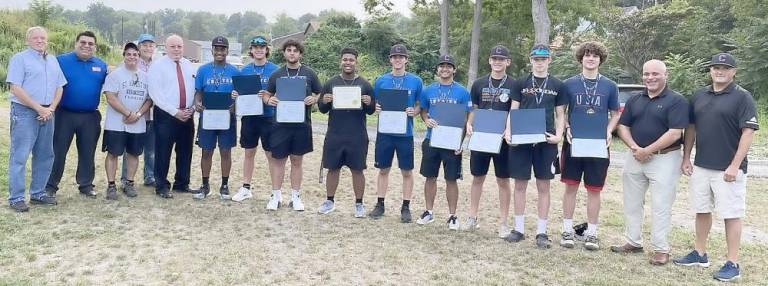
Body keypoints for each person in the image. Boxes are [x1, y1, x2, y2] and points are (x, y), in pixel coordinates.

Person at [673, 53, 759, 282]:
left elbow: (748, 133)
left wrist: (734, 165)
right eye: (715, 68)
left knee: (731, 215)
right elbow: (691, 128)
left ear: (733, 72)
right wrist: (686, 157)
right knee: (701, 210)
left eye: (725, 68)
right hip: (701, 166)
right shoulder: (699, 95)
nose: (719, 71)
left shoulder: (743, 97)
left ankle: (733, 263)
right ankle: (699, 254)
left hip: (728, 170)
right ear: (710, 70)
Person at [610, 59, 688, 265]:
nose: (650, 78)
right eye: (646, 74)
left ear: (666, 75)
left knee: (661, 205)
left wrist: (647, 150)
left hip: (665, 158)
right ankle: (633, 241)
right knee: (632, 203)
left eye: (655, 74)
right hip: (635, 157)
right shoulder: (635, 99)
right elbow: (622, 127)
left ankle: (661, 249)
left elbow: (675, 133)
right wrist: (636, 148)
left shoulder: (677, 101)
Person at [503, 44, 567, 248]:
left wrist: (559, 135)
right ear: (531, 60)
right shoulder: (520, 82)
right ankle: (519, 228)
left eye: (543, 59)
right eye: (536, 59)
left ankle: (541, 231)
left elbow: (560, 114)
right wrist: (508, 131)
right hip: (522, 140)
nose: (539, 63)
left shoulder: (558, 84)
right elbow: (514, 109)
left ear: (549, 60)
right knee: (520, 184)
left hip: (546, 140)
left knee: (543, 186)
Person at [560, 41, 620, 250]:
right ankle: (567, 230)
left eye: (595, 55)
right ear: (581, 58)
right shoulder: (568, 84)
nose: (591, 58)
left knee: (594, 189)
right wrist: (566, 127)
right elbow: (561, 112)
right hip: (574, 142)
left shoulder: (610, 86)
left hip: (598, 144)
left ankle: (592, 233)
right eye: (587, 55)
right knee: (571, 187)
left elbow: (615, 114)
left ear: (600, 59)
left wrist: (608, 130)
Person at [6, 26, 66, 211]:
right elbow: (15, 88)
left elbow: (60, 86)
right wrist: (38, 107)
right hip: (25, 112)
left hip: (48, 112)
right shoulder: (20, 59)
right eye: (36, 38)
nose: (40, 41)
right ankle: (16, 198)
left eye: (43, 38)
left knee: (45, 154)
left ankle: (38, 193)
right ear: (28, 40)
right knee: (20, 155)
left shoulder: (53, 60)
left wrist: (51, 108)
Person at [45, 31, 108, 198]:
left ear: (95, 47)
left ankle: (86, 185)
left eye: (90, 43)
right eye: (83, 42)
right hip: (64, 114)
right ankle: (50, 185)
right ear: (76, 43)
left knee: (88, 152)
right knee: (57, 151)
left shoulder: (101, 66)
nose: (86, 45)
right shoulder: (61, 61)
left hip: (89, 116)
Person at [263, 39, 322, 211]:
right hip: (280, 125)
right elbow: (267, 94)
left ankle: (295, 197)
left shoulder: (309, 73)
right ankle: (276, 195)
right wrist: (269, 99)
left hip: (301, 124)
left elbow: (319, 92)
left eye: (295, 50)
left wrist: (315, 99)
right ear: (284, 53)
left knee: (297, 161)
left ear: (300, 54)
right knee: (278, 160)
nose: (292, 53)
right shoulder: (277, 74)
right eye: (288, 50)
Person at [316, 47, 375, 217]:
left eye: (351, 60)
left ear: (356, 63)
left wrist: (369, 102)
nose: (348, 63)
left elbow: (371, 111)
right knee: (333, 168)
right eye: (345, 59)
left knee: (357, 170)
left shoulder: (364, 84)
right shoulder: (331, 82)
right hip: (335, 133)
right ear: (340, 61)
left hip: (357, 135)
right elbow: (321, 109)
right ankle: (329, 201)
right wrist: (325, 101)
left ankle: (359, 204)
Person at [415, 54, 472, 230]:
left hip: (452, 143)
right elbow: (424, 111)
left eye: (449, 66)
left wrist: (461, 143)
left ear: (454, 69)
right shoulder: (428, 90)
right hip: (432, 140)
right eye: (442, 66)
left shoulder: (462, 91)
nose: (445, 69)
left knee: (451, 179)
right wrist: (426, 120)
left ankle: (452, 216)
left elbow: (468, 115)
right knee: (430, 177)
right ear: (438, 69)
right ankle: (429, 212)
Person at [368, 44, 423, 222]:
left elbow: (419, 105)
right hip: (385, 132)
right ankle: (380, 204)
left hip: (405, 133)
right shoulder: (381, 80)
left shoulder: (416, 81)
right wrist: (375, 107)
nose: (398, 59)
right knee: (383, 169)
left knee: (406, 171)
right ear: (390, 59)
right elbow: (376, 102)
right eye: (394, 56)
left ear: (406, 59)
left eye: (401, 57)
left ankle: (405, 207)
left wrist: (414, 112)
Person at [464, 45, 515, 237]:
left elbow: (514, 111)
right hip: (481, 136)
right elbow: (474, 108)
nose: (497, 62)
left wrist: (509, 130)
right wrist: (469, 124)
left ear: (507, 62)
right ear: (489, 61)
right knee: (478, 178)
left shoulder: (514, 85)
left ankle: (503, 222)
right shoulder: (478, 83)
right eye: (494, 59)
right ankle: (472, 217)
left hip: (502, 139)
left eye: (501, 59)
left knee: (503, 180)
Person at [231, 35, 280, 202]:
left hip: (269, 117)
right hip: (250, 117)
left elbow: (280, 93)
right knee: (249, 152)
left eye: (262, 47)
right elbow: (239, 93)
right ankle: (246, 188)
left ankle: (275, 191)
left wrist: (268, 95)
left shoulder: (275, 69)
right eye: (255, 47)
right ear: (251, 50)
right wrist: (235, 94)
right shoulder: (244, 70)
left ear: (267, 49)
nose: (259, 50)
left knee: (271, 154)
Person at [101, 42, 153, 199]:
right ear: (124, 56)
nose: (132, 57)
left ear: (139, 56)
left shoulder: (146, 77)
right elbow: (110, 97)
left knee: (134, 154)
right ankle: (111, 185)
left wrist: (137, 115)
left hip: (137, 123)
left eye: (135, 54)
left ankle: (129, 183)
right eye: (128, 54)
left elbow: (149, 100)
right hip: (116, 123)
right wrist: (127, 113)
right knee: (113, 153)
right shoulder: (115, 75)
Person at [191, 36, 240, 199]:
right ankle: (205, 185)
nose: (219, 51)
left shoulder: (234, 71)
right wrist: (197, 102)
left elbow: (239, 95)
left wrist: (235, 105)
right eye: (216, 48)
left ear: (227, 51)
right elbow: (198, 92)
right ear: (212, 50)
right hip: (208, 115)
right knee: (206, 151)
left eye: (222, 49)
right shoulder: (203, 70)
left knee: (225, 151)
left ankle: (224, 185)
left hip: (227, 116)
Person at [148, 34, 196, 198]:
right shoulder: (157, 66)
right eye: (173, 46)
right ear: (166, 48)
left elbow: (194, 90)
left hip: (187, 114)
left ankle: (182, 183)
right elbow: (156, 94)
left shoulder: (189, 65)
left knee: (185, 151)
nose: (176, 49)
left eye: (179, 46)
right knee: (163, 151)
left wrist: (192, 108)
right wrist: (175, 112)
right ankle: (161, 186)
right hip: (166, 114)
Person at [121, 33, 157, 187]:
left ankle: (150, 177)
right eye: (144, 45)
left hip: (152, 115)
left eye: (151, 45)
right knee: (130, 150)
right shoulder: (132, 63)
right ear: (139, 47)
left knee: (151, 149)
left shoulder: (157, 65)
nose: (148, 48)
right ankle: (126, 179)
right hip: (134, 114)